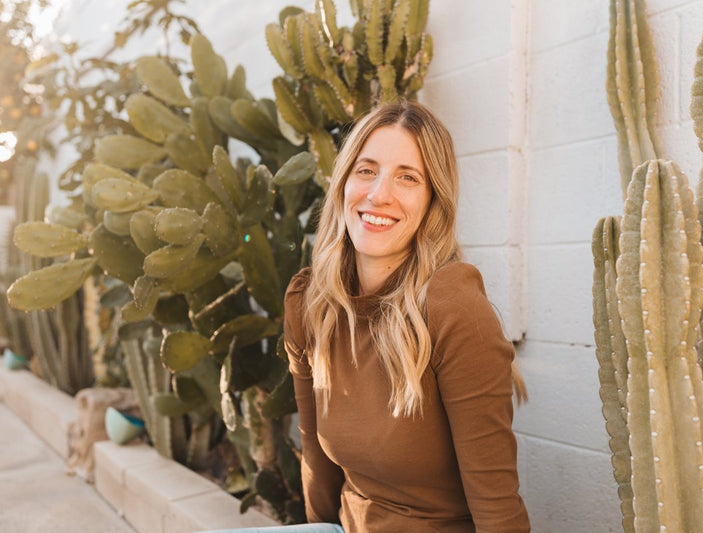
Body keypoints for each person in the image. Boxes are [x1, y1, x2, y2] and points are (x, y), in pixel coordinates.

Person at [213, 101, 530, 533]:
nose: (379, 194)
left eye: (407, 177)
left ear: (433, 201)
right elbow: (317, 461)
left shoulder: (451, 306)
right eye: (366, 170)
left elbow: (497, 507)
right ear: (344, 181)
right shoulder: (309, 303)